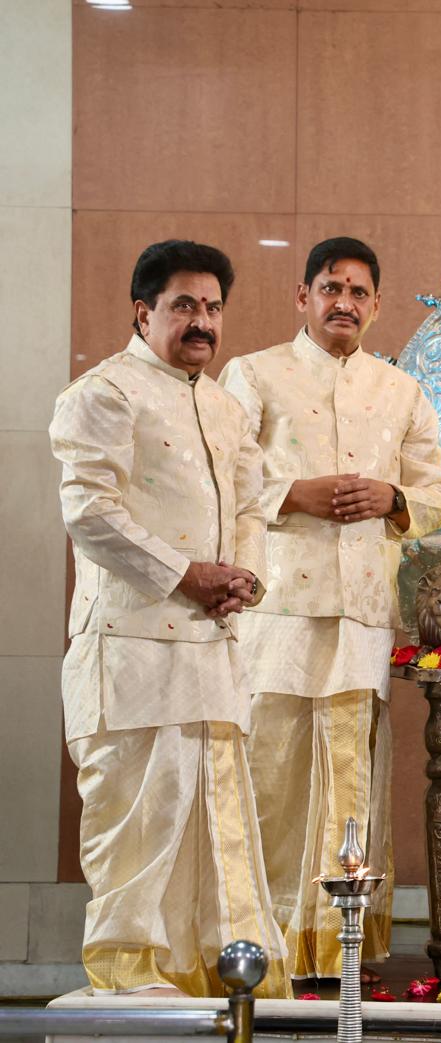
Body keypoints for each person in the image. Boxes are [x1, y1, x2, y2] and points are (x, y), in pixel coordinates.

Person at [50, 240, 290, 997]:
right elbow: (90, 510)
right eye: (184, 305)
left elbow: (251, 504)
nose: (202, 322)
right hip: (131, 655)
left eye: (213, 308)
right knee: (139, 825)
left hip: (212, 653)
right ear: (143, 310)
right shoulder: (104, 393)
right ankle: (129, 979)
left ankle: (218, 982)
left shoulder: (223, 406)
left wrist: (243, 577)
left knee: (216, 827)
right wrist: (185, 574)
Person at [220, 236, 441, 982]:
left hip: (360, 606)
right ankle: (259, 938)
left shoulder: (400, 391)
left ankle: (335, 947)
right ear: (303, 296)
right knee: (270, 763)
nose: (344, 302)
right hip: (277, 605)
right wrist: (291, 493)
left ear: (377, 305)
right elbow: (221, 471)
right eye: (330, 287)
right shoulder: (252, 375)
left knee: (350, 769)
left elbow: (440, 491)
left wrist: (394, 499)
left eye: (358, 291)